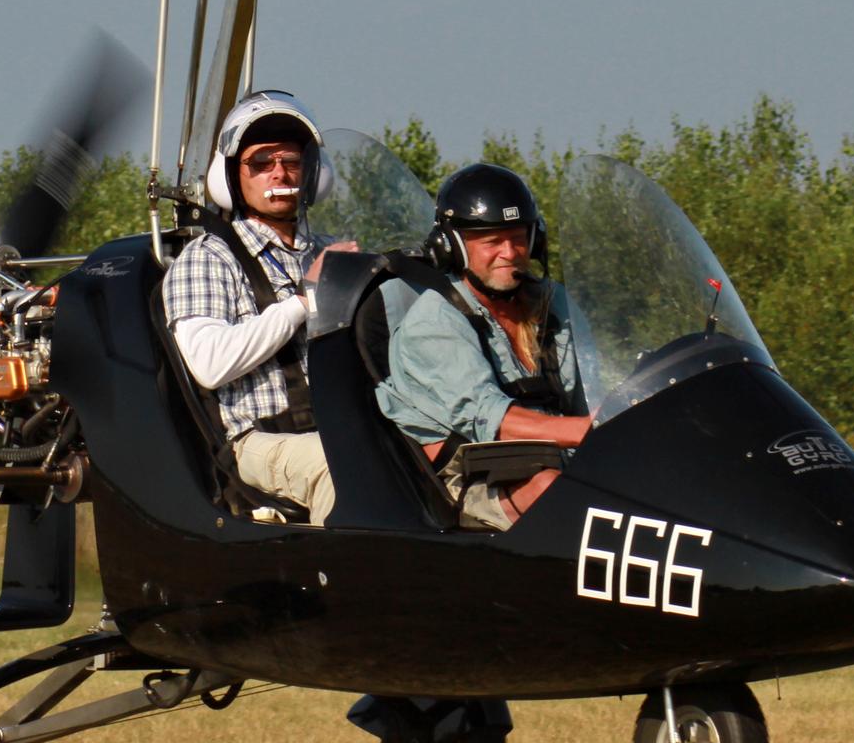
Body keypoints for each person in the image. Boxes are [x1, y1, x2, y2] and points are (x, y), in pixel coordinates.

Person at [162, 91, 354, 524]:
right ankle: (350, 586)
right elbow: (209, 363)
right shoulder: (208, 258)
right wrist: (303, 302)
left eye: (291, 161)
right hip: (257, 440)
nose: (279, 173)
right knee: (339, 466)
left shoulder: (329, 251)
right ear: (233, 175)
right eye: (261, 163)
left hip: (342, 424)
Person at [376, 163, 588, 529]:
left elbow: (591, 384)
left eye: (518, 238)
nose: (510, 252)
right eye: (492, 242)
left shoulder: (553, 304)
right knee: (552, 490)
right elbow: (491, 419)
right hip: (473, 476)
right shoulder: (434, 322)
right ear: (453, 248)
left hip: (559, 456)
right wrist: (587, 430)